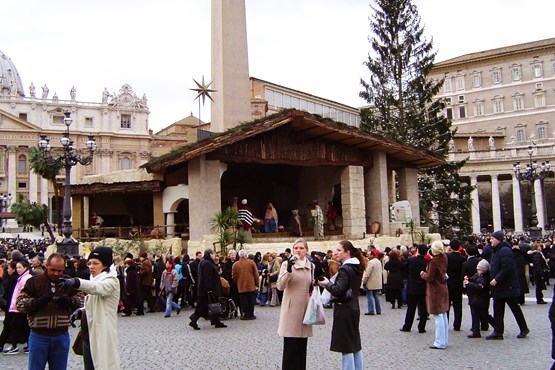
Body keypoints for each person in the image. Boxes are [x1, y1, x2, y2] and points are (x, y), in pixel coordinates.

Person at [15, 254, 85, 368]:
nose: (56, 274)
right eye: (52, 270)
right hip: (39, 335)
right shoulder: (34, 282)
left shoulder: (69, 282)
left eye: (59, 270)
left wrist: (70, 301)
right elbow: (19, 303)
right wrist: (36, 302)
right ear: (46, 265)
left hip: (61, 335)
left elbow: (82, 301)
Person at [57, 246, 120, 370]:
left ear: (105, 265)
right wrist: (81, 312)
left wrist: (76, 282)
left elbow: (97, 288)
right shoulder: (94, 280)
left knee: (104, 366)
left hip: (102, 333)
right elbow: (93, 303)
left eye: (96, 263)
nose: (91, 266)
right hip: (87, 334)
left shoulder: (112, 281)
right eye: (89, 263)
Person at [319, 240, 366, 370]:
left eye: (339, 250)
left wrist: (327, 284)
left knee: (346, 346)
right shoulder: (357, 266)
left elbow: (339, 290)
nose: (336, 253)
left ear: (347, 252)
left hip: (344, 308)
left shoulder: (345, 268)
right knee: (355, 343)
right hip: (353, 306)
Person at [277, 238, 314, 370]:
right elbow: (280, 286)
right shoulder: (286, 264)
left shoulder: (311, 266)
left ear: (306, 250)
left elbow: (311, 285)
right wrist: (288, 269)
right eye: (296, 248)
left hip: (305, 309)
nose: (298, 250)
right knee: (290, 348)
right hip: (291, 310)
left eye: (301, 248)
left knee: (302, 346)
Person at [486, 230, 530, 340]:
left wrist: (496, 279)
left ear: (498, 240)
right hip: (500, 287)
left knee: (515, 308)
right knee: (498, 310)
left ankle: (523, 328)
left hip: (506, 286)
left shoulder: (504, 251)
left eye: (492, 238)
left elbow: (507, 268)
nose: (490, 240)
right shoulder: (496, 251)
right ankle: (498, 331)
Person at [420, 240, 449, 349]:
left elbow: (430, 277)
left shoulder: (434, 262)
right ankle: (444, 340)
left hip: (435, 290)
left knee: (438, 316)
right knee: (443, 314)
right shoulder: (444, 258)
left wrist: (423, 274)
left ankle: (440, 341)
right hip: (443, 287)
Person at [188, 248, 227, 330]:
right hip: (208, 290)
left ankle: (216, 321)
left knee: (211, 305)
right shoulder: (207, 263)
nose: (214, 256)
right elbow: (208, 277)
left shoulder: (204, 262)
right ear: (210, 254)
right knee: (204, 306)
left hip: (205, 289)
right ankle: (194, 318)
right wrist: (209, 289)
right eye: (213, 254)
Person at [400, 244, 428, 333]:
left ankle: (407, 326)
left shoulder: (411, 260)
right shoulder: (427, 261)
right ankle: (421, 327)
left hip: (412, 287)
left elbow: (403, 267)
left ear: (418, 250)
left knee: (411, 308)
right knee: (423, 308)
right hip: (423, 287)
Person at [463, 259, 491, 338]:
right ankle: (475, 331)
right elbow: (472, 279)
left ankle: (495, 324)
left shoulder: (486, 278)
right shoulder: (477, 275)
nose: (478, 271)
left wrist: (469, 283)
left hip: (481, 299)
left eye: (479, 269)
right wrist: (468, 279)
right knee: (474, 315)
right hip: (474, 299)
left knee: (484, 314)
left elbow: (480, 287)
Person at [232, 249, 259, 320]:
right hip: (251, 284)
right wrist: (257, 283)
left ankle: (245, 314)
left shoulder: (235, 264)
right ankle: (251, 314)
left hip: (241, 285)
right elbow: (256, 274)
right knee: (251, 300)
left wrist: (237, 282)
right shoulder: (251, 263)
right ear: (245, 255)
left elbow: (234, 276)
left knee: (243, 300)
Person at [446, 239, 467, 331]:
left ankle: (445, 323)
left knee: (446, 305)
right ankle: (457, 325)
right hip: (458, 283)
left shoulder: (447, 257)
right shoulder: (463, 258)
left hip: (449, 282)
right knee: (458, 305)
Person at [0, 261, 18, 352]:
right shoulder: (13, 278)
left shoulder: (14, 279)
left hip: (12, 306)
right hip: (11, 306)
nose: (7, 270)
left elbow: (9, 294)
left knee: (9, 325)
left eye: (9, 268)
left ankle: (11, 345)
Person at [362, 249, 382, 315]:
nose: (367, 256)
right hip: (377, 281)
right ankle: (378, 310)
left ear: (372, 255)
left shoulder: (371, 263)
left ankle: (371, 310)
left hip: (371, 282)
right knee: (376, 296)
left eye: (368, 254)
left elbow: (367, 274)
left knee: (369, 296)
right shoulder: (378, 261)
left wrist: (363, 281)